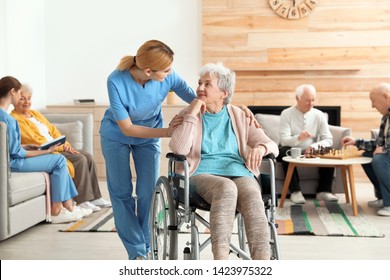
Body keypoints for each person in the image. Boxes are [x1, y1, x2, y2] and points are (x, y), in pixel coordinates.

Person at [169, 62, 278, 260]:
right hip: (200, 173)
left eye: (207, 84)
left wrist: (261, 148)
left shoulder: (239, 115)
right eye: (200, 83)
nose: (200, 88)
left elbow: (271, 144)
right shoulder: (189, 114)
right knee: (226, 188)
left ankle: (263, 263)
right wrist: (192, 113)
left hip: (239, 171)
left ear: (223, 93)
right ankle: (221, 262)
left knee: (253, 195)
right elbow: (178, 148)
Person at [0, 76, 88, 224]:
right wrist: (46, 151)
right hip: (14, 163)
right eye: (20, 94)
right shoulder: (9, 120)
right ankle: (57, 210)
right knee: (59, 160)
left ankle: (69, 207)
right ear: (12, 92)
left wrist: (25, 145)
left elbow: (7, 147)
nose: (21, 98)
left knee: (59, 160)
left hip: (10, 159)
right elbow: (19, 155)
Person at [10, 84, 111, 212]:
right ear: (15, 99)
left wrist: (66, 146)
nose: (27, 102)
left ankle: (96, 197)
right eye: (22, 98)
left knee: (88, 156)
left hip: (57, 146)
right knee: (80, 159)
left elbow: (53, 130)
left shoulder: (34, 114)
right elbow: (35, 141)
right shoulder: (15, 119)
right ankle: (82, 201)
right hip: (46, 151)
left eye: (29, 98)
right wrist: (60, 148)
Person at [277, 84, 338, 204]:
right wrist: (299, 138)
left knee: (330, 149)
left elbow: (328, 139)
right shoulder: (286, 113)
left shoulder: (319, 115)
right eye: (307, 101)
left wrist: (313, 147)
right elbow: (284, 140)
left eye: (313, 100)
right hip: (292, 149)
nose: (311, 104)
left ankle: (324, 191)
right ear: (297, 99)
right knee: (283, 150)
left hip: (311, 151)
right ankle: (295, 192)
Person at [342, 82, 390, 216]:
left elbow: (383, 147)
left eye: (373, 101)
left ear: (386, 97)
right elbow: (378, 144)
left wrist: (385, 148)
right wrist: (357, 142)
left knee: (379, 159)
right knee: (367, 156)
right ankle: (383, 197)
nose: (372, 105)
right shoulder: (386, 117)